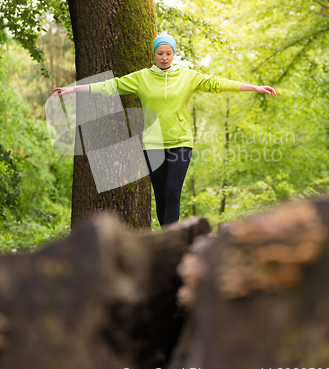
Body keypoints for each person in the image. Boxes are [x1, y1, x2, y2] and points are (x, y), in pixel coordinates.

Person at [52, 32, 276, 227]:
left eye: (168, 53)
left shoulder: (188, 76)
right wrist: (73, 90)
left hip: (180, 142)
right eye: (160, 53)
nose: (164, 57)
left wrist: (254, 87)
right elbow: (112, 86)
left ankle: (172, 241)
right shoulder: (142, 78)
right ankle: (167, 239)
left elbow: (217, 84)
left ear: (173, 54)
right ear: (154, 54)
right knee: (160, 197)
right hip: (152, 145)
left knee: (172, 193)